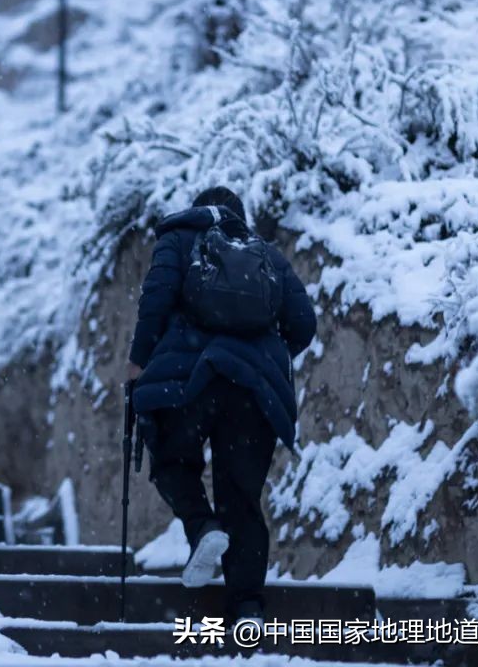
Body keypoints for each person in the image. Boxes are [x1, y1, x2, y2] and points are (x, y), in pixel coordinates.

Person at [126, 186, 316, 627]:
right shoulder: (264, 253)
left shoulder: (178, 239)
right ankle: (246, 607)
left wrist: (138, 365)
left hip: (188, 384)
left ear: (198, 209)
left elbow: (153, 303)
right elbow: (303, 322)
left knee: (173, 462)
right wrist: (266, 352)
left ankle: (202, 528)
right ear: (241, 217)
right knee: (242, 496)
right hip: (252, 392)